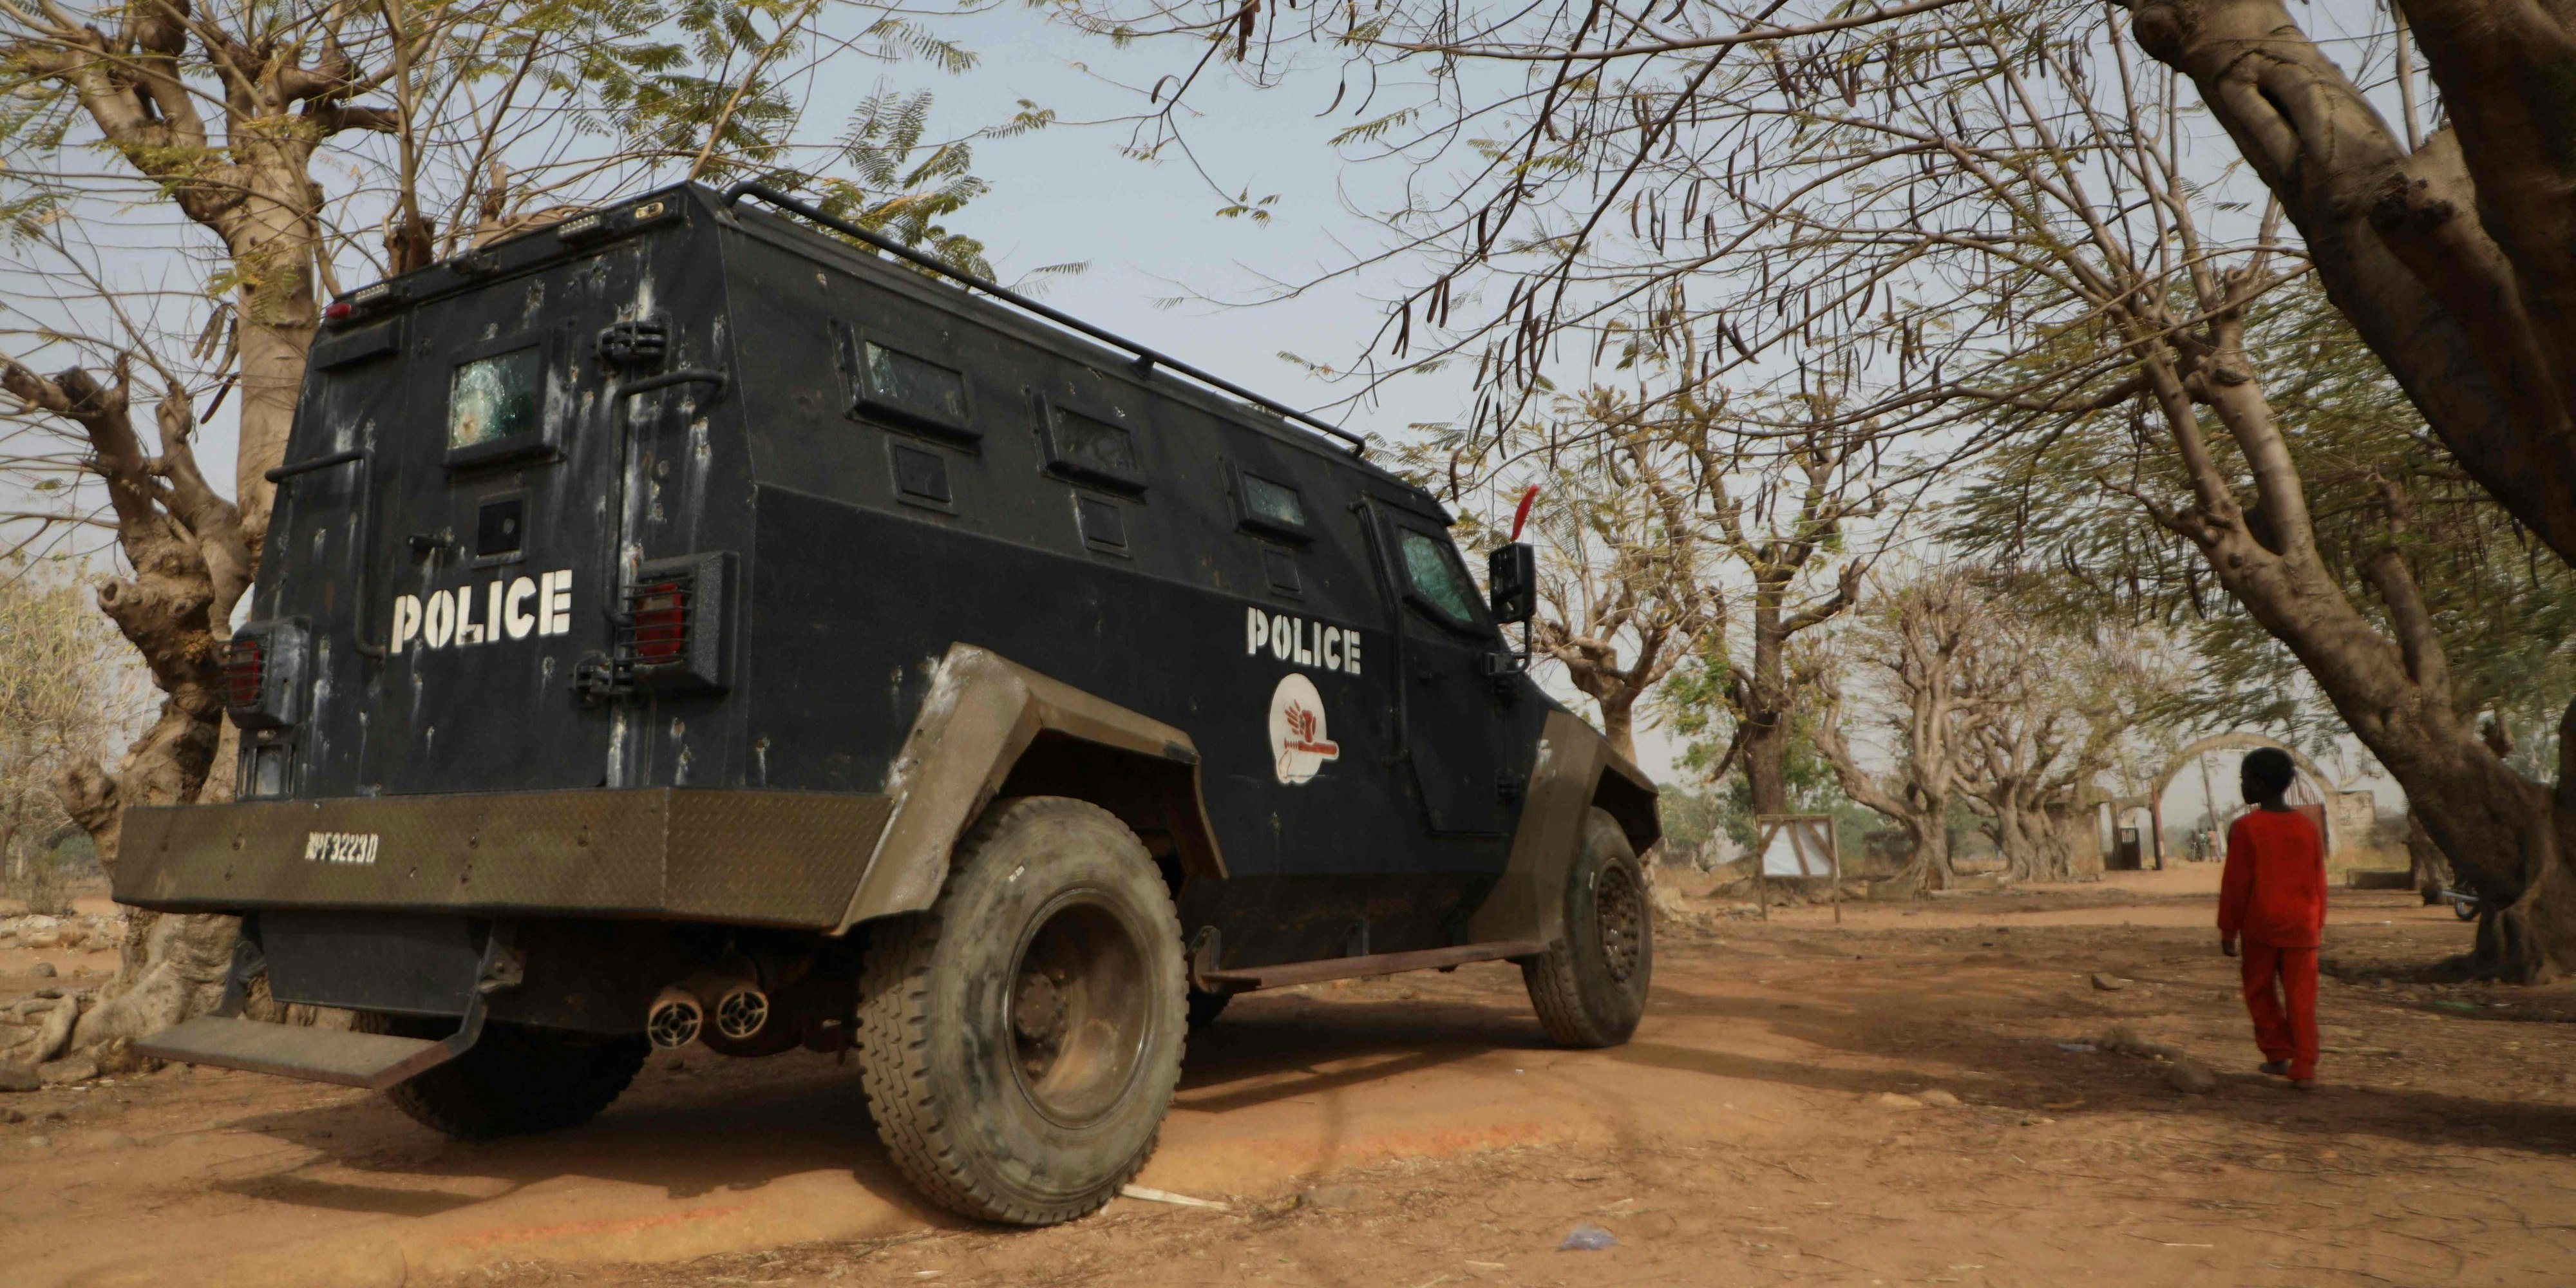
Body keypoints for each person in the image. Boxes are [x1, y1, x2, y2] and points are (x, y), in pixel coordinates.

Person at [2217, 748, 2327, 1089]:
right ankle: (2304, 1067)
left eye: (2244, 779)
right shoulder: (2307, 827)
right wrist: (2317, 921)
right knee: (2301, 998)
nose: (2242, 785)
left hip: (2261, 926)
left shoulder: (2246, 828)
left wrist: (2228, 929)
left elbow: (2236, 883)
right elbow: (2317, 878)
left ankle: (2277, 1053)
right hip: (2302, 926)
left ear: (2259, 784)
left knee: (2259, 990)